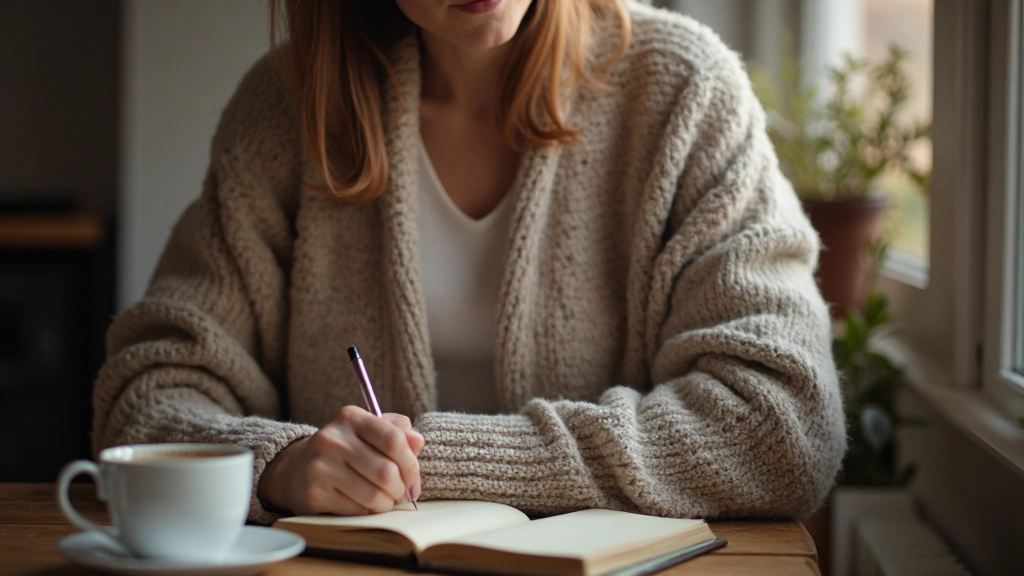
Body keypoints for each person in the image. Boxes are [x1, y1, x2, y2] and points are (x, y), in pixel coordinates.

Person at [93, 0, 846, 524]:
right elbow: (150, 400)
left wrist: (431, 463)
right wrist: (280, 467)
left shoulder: (685, 91)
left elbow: (782, 427)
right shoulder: (288, 110)